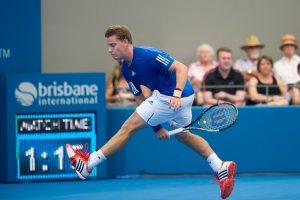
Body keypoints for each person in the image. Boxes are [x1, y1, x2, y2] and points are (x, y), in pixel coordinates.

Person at [66, 25, 236, 199]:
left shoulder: (148, 54)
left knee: (128, 127)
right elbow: (141, 101)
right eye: (108, 46)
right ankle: (219, 165)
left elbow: (182, 68)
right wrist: (157, 128)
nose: (109, 50)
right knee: (183, 135)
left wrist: (176, 95)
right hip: (181, 98)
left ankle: (88, 164)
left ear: (125, 42)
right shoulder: (126, 69)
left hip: (173, 97)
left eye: (113, 45)